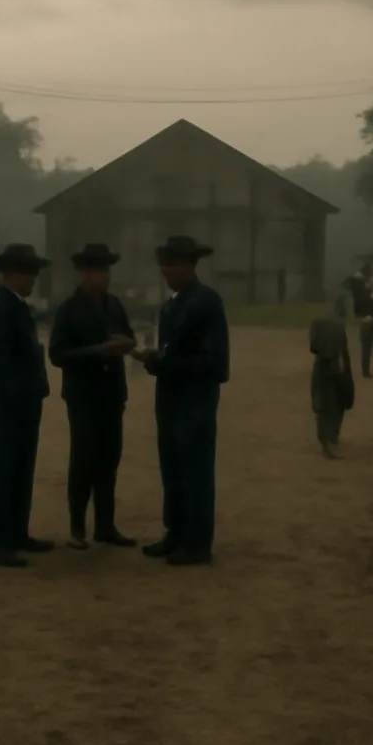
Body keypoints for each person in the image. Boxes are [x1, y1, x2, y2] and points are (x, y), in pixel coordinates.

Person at [133, 235, 229, 566]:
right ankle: (175, 531)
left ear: (188, 265)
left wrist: (166, 364)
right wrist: (155, 359)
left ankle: (198, 541)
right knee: (172, 468)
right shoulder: (172, 305)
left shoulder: (206, 303)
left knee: (195, 471)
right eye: (163, 264)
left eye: (170, 264)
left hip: (195, 401)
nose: (164, 271)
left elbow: (216, 364)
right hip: (171, 400)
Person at [48, 242, 137, 550]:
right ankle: (77, 527)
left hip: (112, 394)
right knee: (84, 460)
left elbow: (130, 338)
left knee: (109, 459)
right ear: (84, 273)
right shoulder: (69, 309)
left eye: (106, 270)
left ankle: (105, 525)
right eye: (97, 270)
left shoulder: (114, 305)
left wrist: (125, 344)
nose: (103, 276)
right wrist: (98, 351)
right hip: (83, 395)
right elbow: (57, 354)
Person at [0, 243, 54, 568]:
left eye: (33, 271)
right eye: (26, 271)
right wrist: (12, 398)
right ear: (10, 273)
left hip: (23, 405)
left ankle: (16, 533)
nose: (32, 278)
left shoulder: (18, 307)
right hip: (4, 408)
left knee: (20, 471)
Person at [308, 302, 354, 457]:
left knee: (322, 402)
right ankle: (332, 436)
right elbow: (343, 347)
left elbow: (313, 346)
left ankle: (323, 437)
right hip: (337, 366)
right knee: (337, 403)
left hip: (321, 365)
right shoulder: (340, 325)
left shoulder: (317, 322)